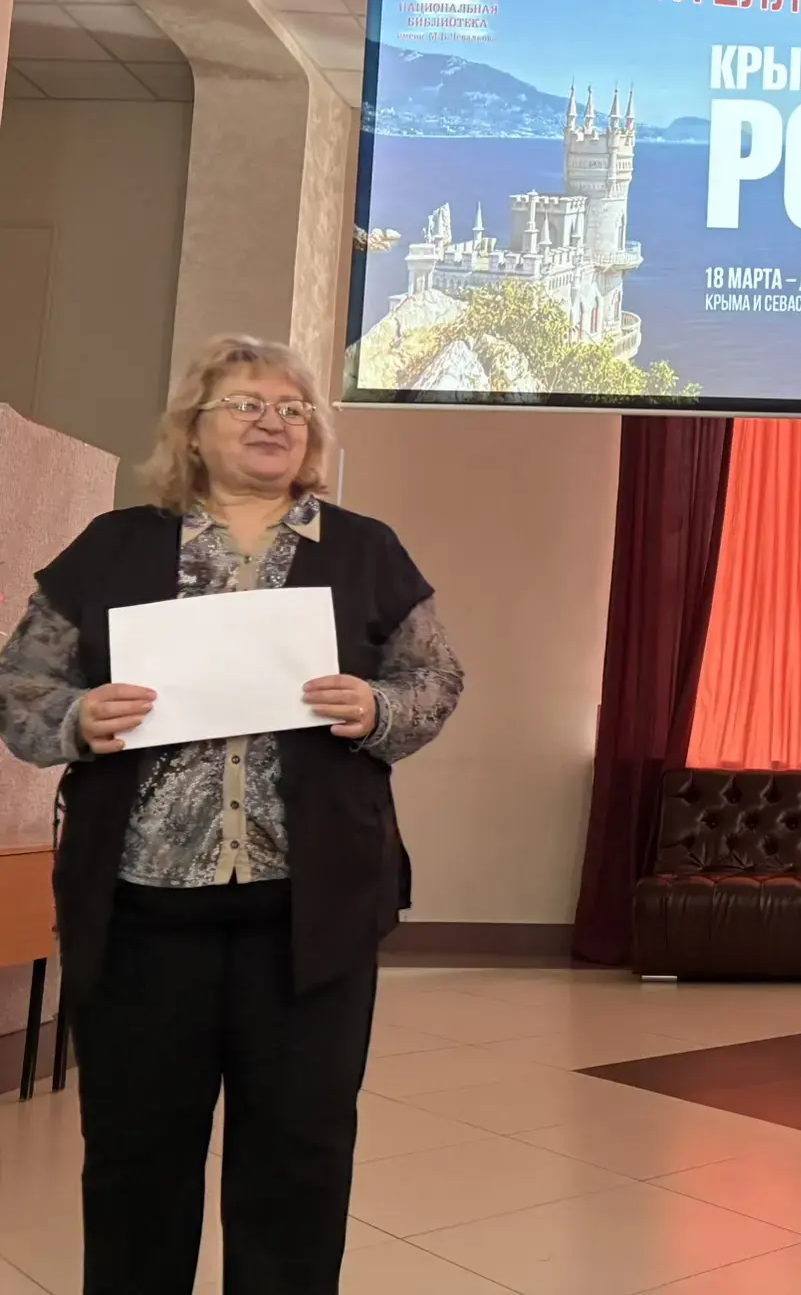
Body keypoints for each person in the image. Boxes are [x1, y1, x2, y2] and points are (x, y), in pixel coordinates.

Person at [0, 335, 463, 1295]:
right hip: (139, 915)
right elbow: (20, 686)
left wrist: (379, 708)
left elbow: (434, 679)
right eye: (247, 403)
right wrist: (77, 718)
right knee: (136, 1160)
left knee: (299, 1162)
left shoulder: (365, 549)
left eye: (293, 409)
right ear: (194, 429)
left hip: (312, 917)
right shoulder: (112, 545)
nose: (273, 422)